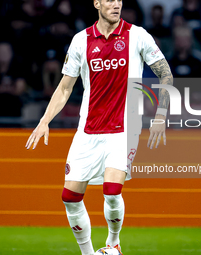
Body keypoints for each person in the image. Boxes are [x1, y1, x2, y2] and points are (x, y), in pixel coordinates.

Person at [25, 1, 173, 255]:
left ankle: (113, 243)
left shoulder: (137, 35)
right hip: (88, 131)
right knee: (70, 198)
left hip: (124, 129)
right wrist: (44, 121)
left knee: (112, 191)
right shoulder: (81, 41)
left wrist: (161, 114)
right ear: (97, 3)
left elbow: (166, 74)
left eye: (119, 0)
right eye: (110, 0)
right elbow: (64, 88)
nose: (116, 5)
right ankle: (87, 253)